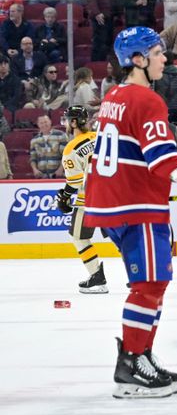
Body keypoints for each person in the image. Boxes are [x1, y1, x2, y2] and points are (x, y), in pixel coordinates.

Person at [83, 26, 177, 398]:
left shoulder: (113, 96)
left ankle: (141, 356)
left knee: (152, 283)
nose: (165, 59)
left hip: (116, 204)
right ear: (138, 60)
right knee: (149, 285)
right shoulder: (145, 99)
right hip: (137, 206)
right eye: (157, 53)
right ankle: (132, 364)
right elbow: (162, 158)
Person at [55, 106, 106, 294]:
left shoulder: (71, 148)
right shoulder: (100, 138)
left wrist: (65, 196)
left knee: (79, 237)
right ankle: (140, 277)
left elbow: (75, 182)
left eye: (68, 120)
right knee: (122, 239)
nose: (67, 123)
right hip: (114, 197)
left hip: (90, 201)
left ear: (74, 122)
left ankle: (98, 279)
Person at [30, 114, 68, 179]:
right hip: (42, 177)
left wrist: (61, 169)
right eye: (41, 123)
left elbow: (66, 155)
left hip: (59, 175)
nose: (44, 125)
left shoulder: (61, 135)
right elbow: (33, 158)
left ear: (50, 122)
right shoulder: (34, 140)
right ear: (38, 125)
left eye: (46, 122)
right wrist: (35, 170)